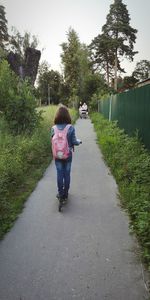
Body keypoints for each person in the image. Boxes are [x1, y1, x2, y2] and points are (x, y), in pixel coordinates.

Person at [51, 105, 82, 202]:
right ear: (67, 116)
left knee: (59, 174)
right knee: (67, 174)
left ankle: (60, 194)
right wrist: (79, 141)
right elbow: (73, 142)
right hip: (67, 154)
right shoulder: (70, 128)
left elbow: (52, 141)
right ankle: (65, 194)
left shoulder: (53, 128)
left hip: (57, 155)